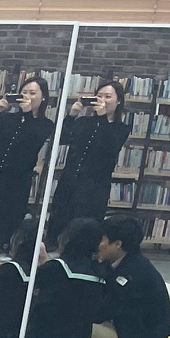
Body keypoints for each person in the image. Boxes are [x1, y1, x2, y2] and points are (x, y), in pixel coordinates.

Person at [0, 76, 54, 245]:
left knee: (6, 230)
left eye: (32, 93)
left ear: (43, 97)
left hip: (16, 184)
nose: (27, 96)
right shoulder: (7, 118)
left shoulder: (45, 124)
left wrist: (28, 114)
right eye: (23, 92)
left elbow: (33, 141)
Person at [90, 214, 170, 338]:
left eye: (102, 239)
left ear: (117, 244)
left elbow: (102, 311)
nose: (97, 244)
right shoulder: (122, 262)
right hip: (127, 334)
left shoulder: (132, 274)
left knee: (72, 326)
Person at [56, 80, 131, 231]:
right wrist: (71, 116)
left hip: (94, 187)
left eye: (108, 96)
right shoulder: (84, 121)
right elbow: (62, 138)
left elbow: (110, 147)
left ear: (118, 101)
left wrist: (103, 117)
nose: (102, 100)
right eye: (99, 96)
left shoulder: (121, 128)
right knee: (60, 222)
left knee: (84, 226)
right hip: (69, 181)